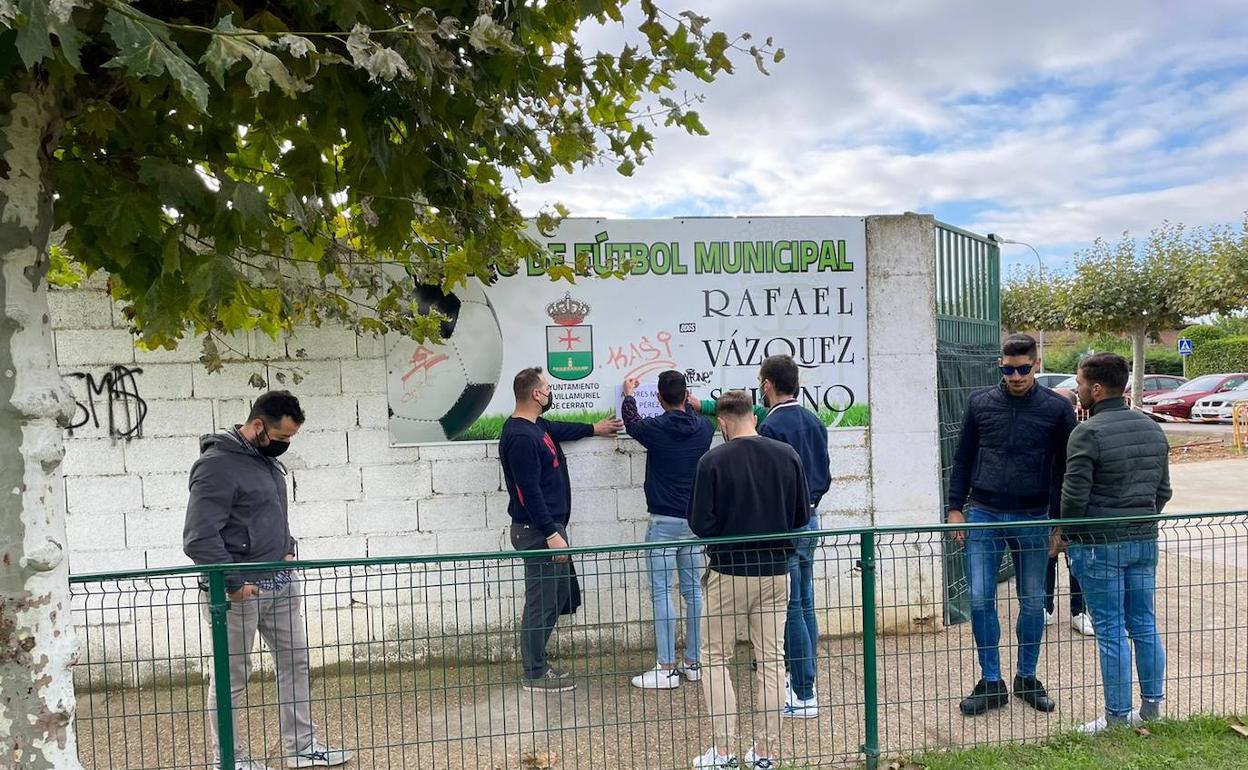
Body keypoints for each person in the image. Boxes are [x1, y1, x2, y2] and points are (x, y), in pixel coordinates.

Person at [183, 391, 352, 770]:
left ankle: (302, 748)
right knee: (232, 677)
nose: (285, 445)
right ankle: (230, 759)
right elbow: (199, 536)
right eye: (281, 438)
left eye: (291, 439)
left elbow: (268, 515)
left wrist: (288, 547)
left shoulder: (265, 461)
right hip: (237, 593)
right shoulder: (216, 466)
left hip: (279, 583)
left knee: (296, 663)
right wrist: (233, 583)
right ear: (258, 426)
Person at [689, 355, 831, 718]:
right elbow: (824, 476)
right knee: (805, 601)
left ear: (767, 385)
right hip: (810, 518)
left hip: (783, 526)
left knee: (794, 607)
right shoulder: (815, 422)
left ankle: (801, 689)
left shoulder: (770, 430)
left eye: (760, 382)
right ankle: (806, 679)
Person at [946, 333, 1076, 717]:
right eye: (1008, 368)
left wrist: (1062, 525)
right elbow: (964, 457)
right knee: (981, 598)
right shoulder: (980, 403)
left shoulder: (1056, 408)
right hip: (983, 513)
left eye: (1022, 368)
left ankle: (1027, 677)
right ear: (999, 365)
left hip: (1035, 516)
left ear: (1036, 364)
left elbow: (1069, 469)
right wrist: (956, 508)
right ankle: (991, 682)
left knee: (1033, 601)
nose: (1015, 376)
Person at [688, 390, 811, 770]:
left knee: (714, 659)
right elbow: (801, 516)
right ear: (753, 417)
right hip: (776, 571)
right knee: (772, 661)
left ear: (722, 422)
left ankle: (723, 751)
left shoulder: (712, 461)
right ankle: (764, 753)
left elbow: (700, 523)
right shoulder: (786, 455)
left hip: (728, 571)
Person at [1054, 353, 1171, 734]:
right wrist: (1142, 518)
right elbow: (1163, 491)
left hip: (1100, 544)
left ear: (1097, 388)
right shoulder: (1152, 428)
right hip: (1143, 540)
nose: (1077, 389)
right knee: (1144, 624)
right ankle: (1152, 708)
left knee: (1110, 630)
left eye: (1080, 383)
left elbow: (1073, 498)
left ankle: (1117, 717)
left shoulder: (1087, 432)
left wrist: (1067, 536)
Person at [499, 366, 623, 692]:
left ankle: (538, 663)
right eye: (547, 388)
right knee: (541, 603)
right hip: (539, 533)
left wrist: (593, 428)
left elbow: (559, 428)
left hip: (551, 530)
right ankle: (534, 674)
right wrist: (552, 534)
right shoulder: (520, 437)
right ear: (537, 395)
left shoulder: (537, 427)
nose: (550, 393)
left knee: (558, 598)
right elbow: (528, 492)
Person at [621, 371, 715, 689]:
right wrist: (695, 406)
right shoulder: (704, 428)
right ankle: (693, 662)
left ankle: (665, 667)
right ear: (686, 396)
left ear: (659, 398)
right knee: (693, 593)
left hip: (662, 523)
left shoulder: (654, 428)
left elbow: (631, 421)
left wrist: (629, 394)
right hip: (693, 523)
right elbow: (703, 417)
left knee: (662, 593)